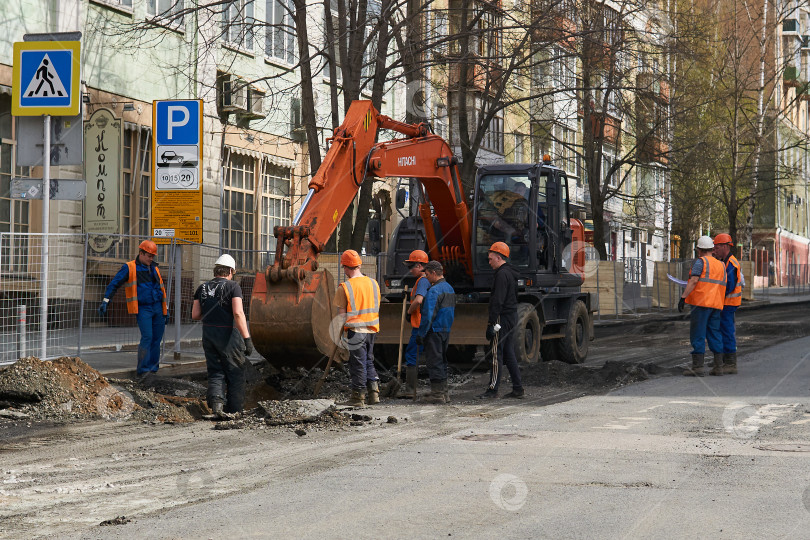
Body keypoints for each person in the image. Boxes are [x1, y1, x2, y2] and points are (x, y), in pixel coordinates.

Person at [192, 254, 254, 417]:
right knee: (235, 372)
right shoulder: (233, 287)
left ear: (216, 270)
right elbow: (238, 313)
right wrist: (247, 339)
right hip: (228, 336)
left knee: (215, 371)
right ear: (231, 270)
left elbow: (195, 314)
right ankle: (234, 410)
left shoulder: (202, 287)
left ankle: (217, 407)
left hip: (209, 334)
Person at [98, 240, 167, 378]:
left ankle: (153, 370)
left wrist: (165, 309)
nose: (151, 258)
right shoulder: (129, 267)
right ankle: (142, 371)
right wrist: (106, 300)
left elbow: (161, 289)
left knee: (156, 339)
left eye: (153, 256)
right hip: (143, 308)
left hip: (158, 307)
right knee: (147, 337)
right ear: (141, 253)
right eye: (149, 255)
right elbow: (114, 284)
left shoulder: (154, 268)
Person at [335, 249, 381, 407]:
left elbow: (342, 316)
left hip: (356, 330)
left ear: (347, 267)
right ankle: (374, 394)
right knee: (368, 360)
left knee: (357, 363)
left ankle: (358, 397)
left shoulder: (345, 287)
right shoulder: (373, 283)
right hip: (372, 329)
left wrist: (339, 335)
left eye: (344, 268)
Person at [479, 242, 525, 399]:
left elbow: (498, 300)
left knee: (495, 353)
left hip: (501, 318)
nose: (489, 261)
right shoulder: (510, 273)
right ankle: (518, 388)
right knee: (508, 352)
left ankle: (493, 390)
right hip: (511, 316)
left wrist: (491, 324)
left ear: (498, 258)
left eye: (491, 258)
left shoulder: (501, 275)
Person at [679, 235, 727, 377]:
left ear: (699, 250)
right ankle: (719, 367)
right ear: (712, 249)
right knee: (714, 333)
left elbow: (694, 281)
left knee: (698, 333)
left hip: (701, 303)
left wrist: (683, 297)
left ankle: (698, 367)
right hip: (716, 304)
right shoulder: (721, 265)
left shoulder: (701, 262)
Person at [415, 261, 456, 403]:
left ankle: (437, 394)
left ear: (433, 273)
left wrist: (421, 334)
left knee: (434, 362)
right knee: (442, 361)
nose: (426, 278)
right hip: (446, 330)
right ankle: (444, 393)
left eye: (427, 275)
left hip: (434, 331)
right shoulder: (449, 288)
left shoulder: (434, 291)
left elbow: (428, 315)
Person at [399, 250, 431, 399]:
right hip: (424, 325)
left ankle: (410, 389)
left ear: (419, 265)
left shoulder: (423, 280)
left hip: (419, 326)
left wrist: (409, 311)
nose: (410, 270)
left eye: (411, 267)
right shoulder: (425, 280)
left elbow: (419, 300)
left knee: (412, 355)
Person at [713, 233, 743, 374]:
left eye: (717, 247)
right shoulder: (727, 261)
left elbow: (728, 286)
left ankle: (730, 363)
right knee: (725, 330)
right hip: (727, 303)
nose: (715, 250)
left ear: (725, 246)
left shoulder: (730, 263)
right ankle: (727, 360)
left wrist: (714, 293)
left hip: (728, 303)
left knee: (727, 331)